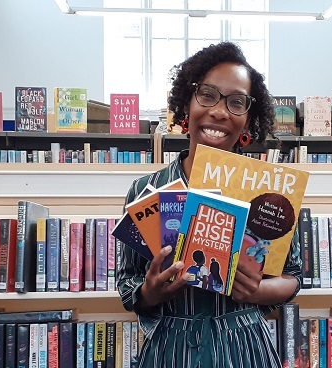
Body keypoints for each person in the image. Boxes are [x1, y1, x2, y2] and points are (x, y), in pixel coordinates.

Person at [117, 42, 302, 368]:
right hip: (171, 350)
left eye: (236, 102)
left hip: (246, 348)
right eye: (207, 95)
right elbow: (127, 283)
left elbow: (293, 277)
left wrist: (257, 291)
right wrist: (150, 291)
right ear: (186, 104)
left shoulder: (268, 191)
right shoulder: (146, 190)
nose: (219, 111)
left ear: (248, 119)